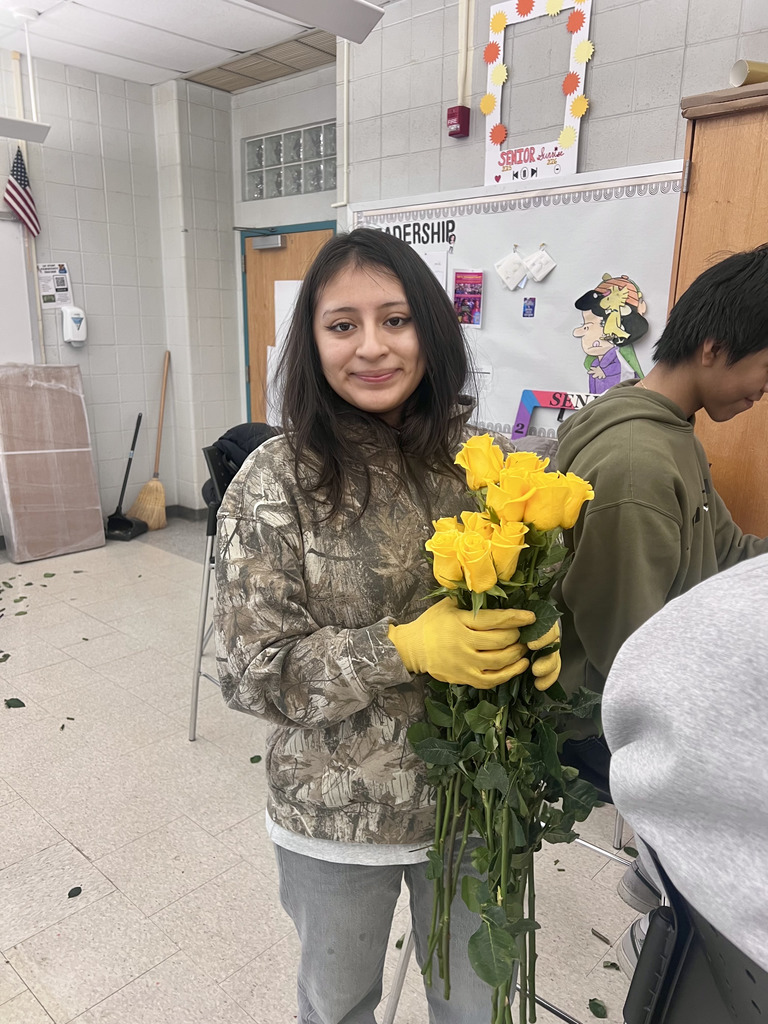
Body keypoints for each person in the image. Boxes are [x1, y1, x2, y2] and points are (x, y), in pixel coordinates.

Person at [214, 228, 548, 1024]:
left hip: (474, 808)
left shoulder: (480, 463)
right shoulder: (277, 480)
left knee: (481, 1005)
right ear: (313, 342)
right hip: (336, 816)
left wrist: (540, 644)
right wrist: (399, 647)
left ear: (429, 330)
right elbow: (249, 670)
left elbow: (524, 603)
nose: (372, 347)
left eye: (396, 320)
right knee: (338, 1007)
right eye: (342, 325)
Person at [555, 245, 768, 954]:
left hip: (653, 673)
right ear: (713, 346)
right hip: (595, 721)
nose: (762, 394)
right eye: (764, 373)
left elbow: (730, 552)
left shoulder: (670, 430)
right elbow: (629, 660)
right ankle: (675, 910)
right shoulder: (639, 466)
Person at [603, 554, 768, 977]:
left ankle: (658, 885)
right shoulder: (638, 488)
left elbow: (728, 543)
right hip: (592, 712)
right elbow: (623, 635)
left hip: (722, 952)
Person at [572, 273, 648, 395]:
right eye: (586, 324)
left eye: (602, 323)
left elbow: (627, 373)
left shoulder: (618, 357)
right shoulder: (595, 363)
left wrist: (605, 372)